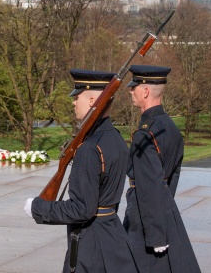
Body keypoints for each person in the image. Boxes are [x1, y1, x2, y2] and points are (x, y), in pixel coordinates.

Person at [24, 69, 138, 273]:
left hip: (90, 247)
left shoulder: (89, 149)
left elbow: (81, 209)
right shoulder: (116, 139)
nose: (74, 103)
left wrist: (37, 208)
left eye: (78, 98)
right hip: (114, 237)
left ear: (94, 100)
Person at [122, 64, 201, 273]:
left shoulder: (144, 135)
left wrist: (156, 234)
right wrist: (164, 210)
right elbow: (171, 178)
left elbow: (149, 186)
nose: (131, 91)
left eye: (134, 87)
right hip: (164, 210)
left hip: (143, 218)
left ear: (145, 91)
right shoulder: (170, 127)